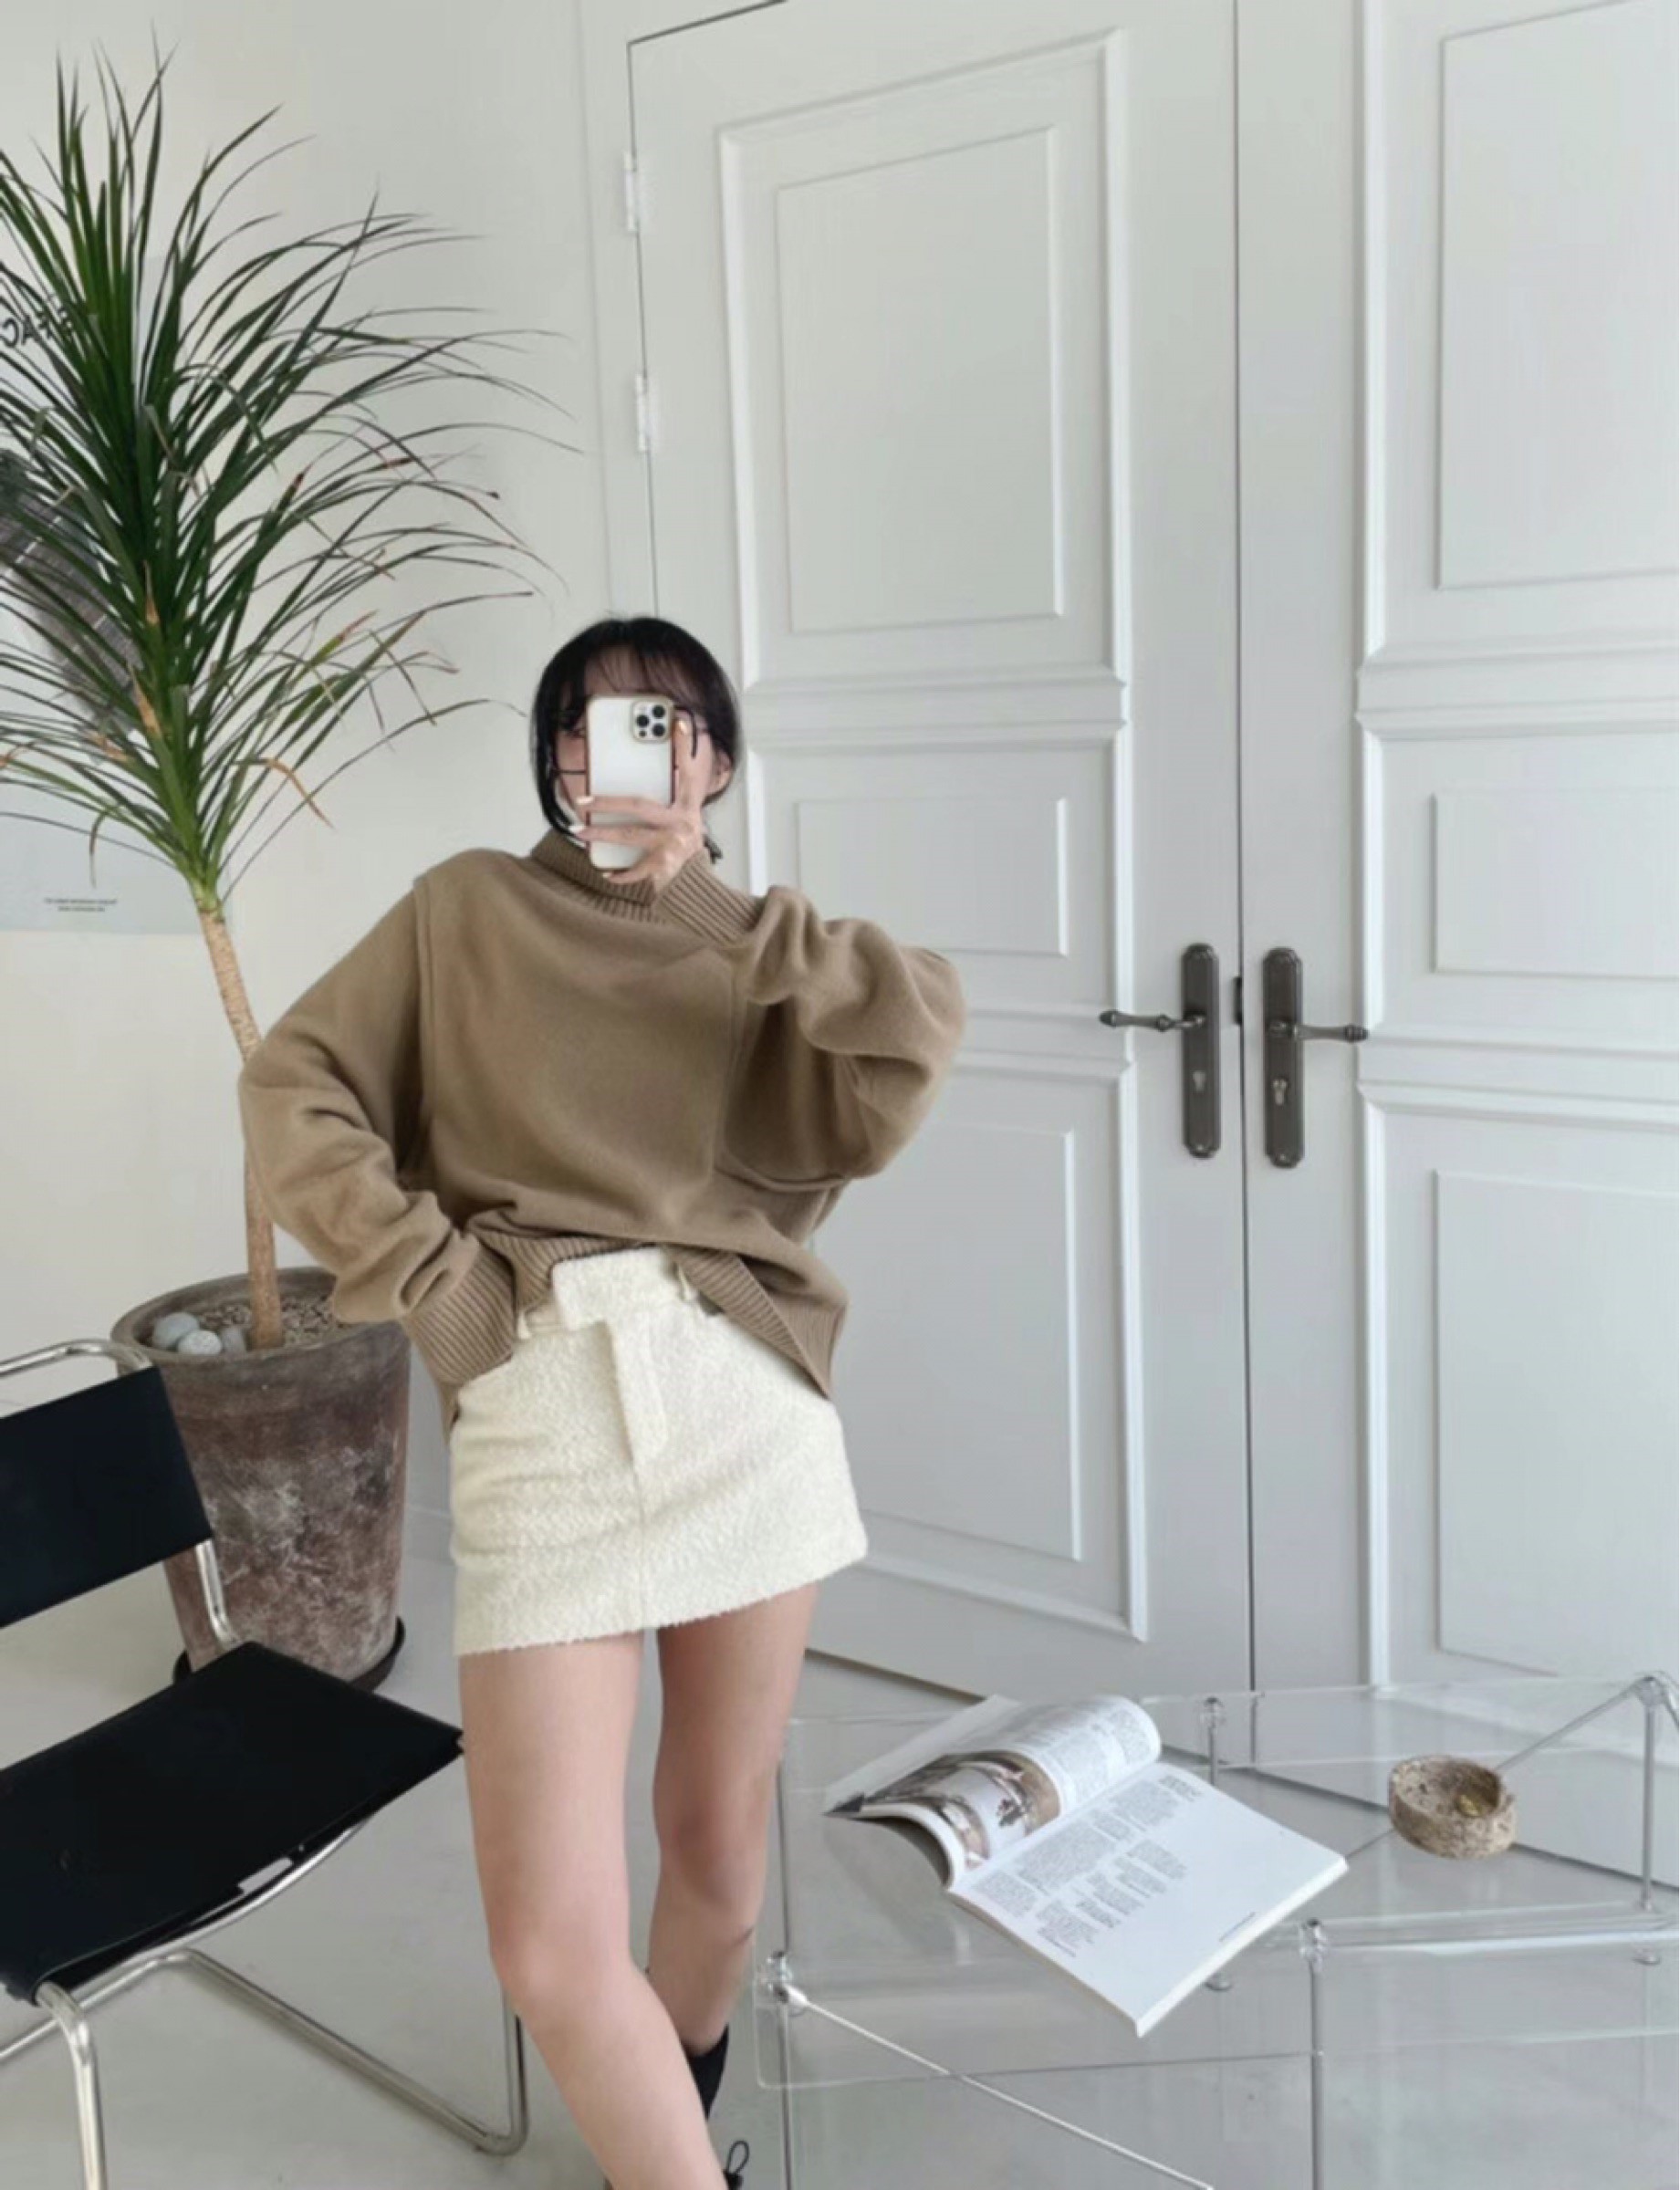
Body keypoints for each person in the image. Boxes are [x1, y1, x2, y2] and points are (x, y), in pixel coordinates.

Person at [235, 616, 968, 2189]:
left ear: (714, 761)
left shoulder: (755, 943)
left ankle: (673, 2149)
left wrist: (701, 900)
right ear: (553, 754)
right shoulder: (464, 910)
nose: (622, 749)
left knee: (716, 1851)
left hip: (740, 1392)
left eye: (665, 723)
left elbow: (916, 1035)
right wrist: (434, 1282)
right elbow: (292, 1087)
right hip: (547, 1387)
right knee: (551, 1945)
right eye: (590, 722)